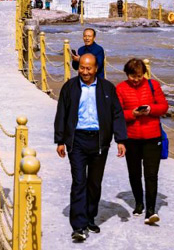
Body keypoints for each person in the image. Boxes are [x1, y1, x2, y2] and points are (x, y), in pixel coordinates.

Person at [54, 53, 127, 242]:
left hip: (99, 141)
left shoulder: (107, 88)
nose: (84, 72)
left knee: (94, 182)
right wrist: (60, 140)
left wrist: (120, 139)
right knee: (79, 182)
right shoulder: (70, 87)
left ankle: (89, 217)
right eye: (81, 67)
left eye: (88, 68)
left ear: (96, 69)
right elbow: (61, 113)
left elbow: (117, 113)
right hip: (76, 140)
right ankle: (78, 226)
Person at [115, 58, 168, 225]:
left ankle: (151, 210)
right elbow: (117, 114)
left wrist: (150, 109)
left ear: (144, 73)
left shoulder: (153, 85)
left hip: (152, 137)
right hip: (131, 138)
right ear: (126, 74)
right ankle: (139, 203)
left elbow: (164, 106)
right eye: (132, 76)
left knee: (151, 175)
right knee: (134, 173)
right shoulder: (120, 88)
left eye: (139, 76)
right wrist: (132, 114)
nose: (136, 79)